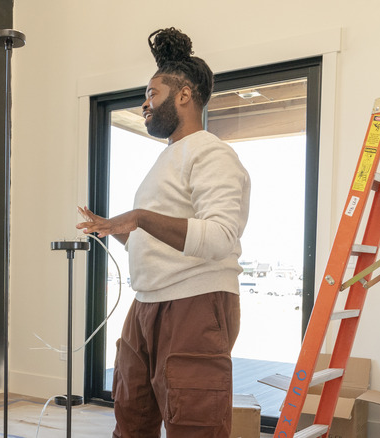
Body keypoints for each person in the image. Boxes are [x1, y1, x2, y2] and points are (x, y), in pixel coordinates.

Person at [77, 28, 251, 438]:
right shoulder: (166, 159)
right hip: (146, 305)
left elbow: (221, 236)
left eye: (152, 94)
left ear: (184, 95)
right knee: (131, 418)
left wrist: (138, 217)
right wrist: (119, 230)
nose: (145, 104)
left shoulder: (213, 153)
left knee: (194, 426)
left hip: (195, 303)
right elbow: (162, 236)